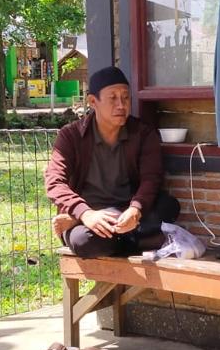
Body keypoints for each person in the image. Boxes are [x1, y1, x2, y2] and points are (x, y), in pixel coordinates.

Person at [44, 66, 180, 257]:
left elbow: (151, 178)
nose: (121, 105)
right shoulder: (71, 136)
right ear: (93, 101)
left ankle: (128, 238)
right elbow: (54, 182)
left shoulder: (143, 133)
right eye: (113, 98)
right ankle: (140, 240)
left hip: (127, 211)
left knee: (168, 205)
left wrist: (136, 209)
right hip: (92, 215)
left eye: (125, 98)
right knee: (83, 241)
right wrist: (84, 214)